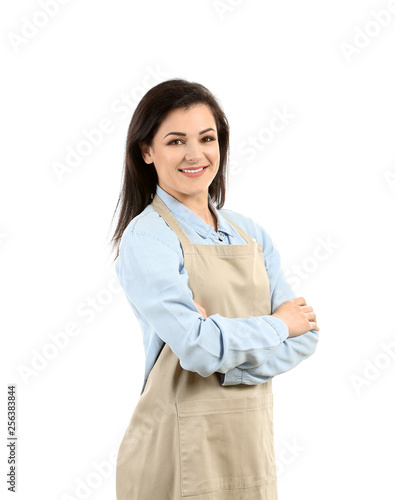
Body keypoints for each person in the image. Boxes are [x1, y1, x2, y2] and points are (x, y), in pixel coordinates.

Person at [110, 78, 320, 500]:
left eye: (207, 138)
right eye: (175, 141)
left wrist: (226, 356)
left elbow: (307, 334)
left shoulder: (251, 233)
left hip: (250, 449)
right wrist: (278, 324)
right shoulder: (147, 238)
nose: (195, 154)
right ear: (146, 151)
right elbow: (198, 348)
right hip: (176, 449)